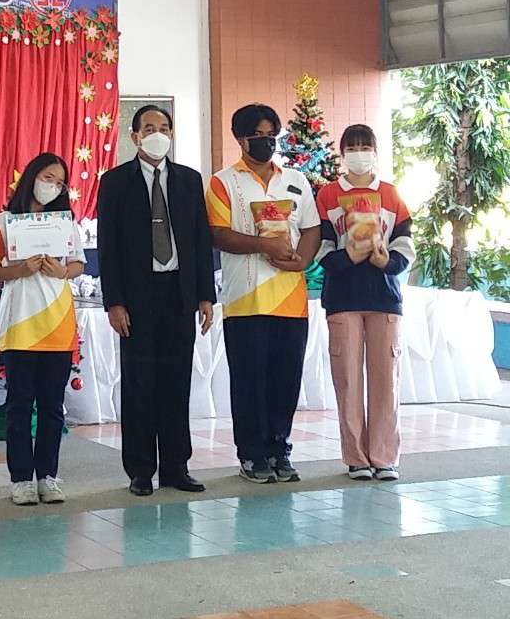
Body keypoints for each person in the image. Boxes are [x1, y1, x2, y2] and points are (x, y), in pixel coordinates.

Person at [98, 105, 215, 496]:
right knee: (139, 384)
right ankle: (140, 470)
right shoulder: (115, 182)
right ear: (135, 137)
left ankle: (176, 467)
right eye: (149, 128)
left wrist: (205, 295)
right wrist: (114, 301)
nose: (157, 134)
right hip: (136, 298)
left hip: (179, 294)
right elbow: (108, 247)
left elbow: (200, 241)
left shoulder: (188, 180)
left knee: (176, 382)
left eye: (164, 127)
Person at [206, 104, 320, 484]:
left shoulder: (296, 180)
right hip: (245, 301)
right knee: (249, 381)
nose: (267, 141)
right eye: (258, 135)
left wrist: (302, 259)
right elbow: (218, 234)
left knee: (285, 380)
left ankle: (279, 449)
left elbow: (311, 228)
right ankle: (252, 454)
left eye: (272, 135)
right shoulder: (223, 182)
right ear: (241, 139)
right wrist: (263, 245)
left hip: (291, 300)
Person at [315, 124, 415, 482]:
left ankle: (384, 457)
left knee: (386, 380)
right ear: (343, 154)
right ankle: (356, 458)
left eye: (365, 146)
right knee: (347, 379)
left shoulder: (390, 194)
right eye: (352, 147)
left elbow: (406, 246)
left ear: (375, 151)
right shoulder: (328, 195)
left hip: (384, 297)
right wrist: (349, 257)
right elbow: (322, 249)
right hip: (342, 297)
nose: (359, 153)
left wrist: (386, 262)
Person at [0, 153, 84, 505]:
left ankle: (48, 475)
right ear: (31, 177)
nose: (52, 186)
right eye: (47, 178)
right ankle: (20, 478)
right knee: (19, 405)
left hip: (57, 323)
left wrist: (63, 272)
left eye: (59, 182)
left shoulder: (65, 222)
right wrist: (20, 269)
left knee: (52, 407)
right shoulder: (2, 222)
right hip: (19, 324)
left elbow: (77, 264)